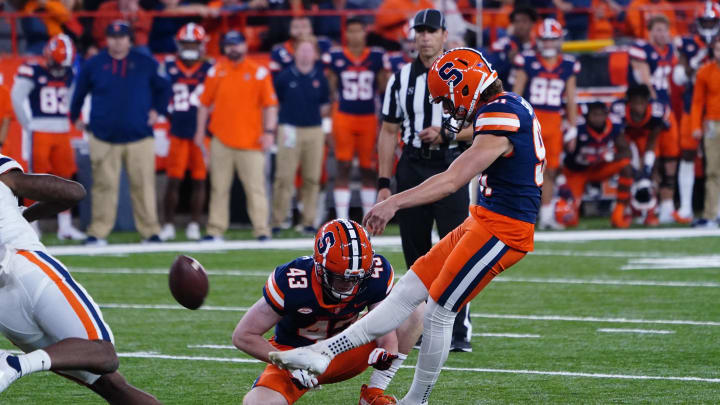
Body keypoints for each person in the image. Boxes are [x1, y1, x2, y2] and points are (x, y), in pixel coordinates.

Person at [269, 47, 542, 405]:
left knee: (440, 310)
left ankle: (417, 400)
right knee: (409, 286)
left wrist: (394, 201)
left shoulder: (500, 115)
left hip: (505, 229)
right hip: (485, 218)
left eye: (446, 99)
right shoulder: (505, 106)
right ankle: (323, 351)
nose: (447, 109)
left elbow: (451, 180)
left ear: (465, 86)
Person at [0, 153, 159, 404]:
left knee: (112, 387)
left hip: (4, 311)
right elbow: (73, 192)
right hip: (24, 264)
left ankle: (15, 365)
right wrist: (23, 215)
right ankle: (14, 364)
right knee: (103, 354)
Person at [234, 219, 419, 405]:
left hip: (346, 347)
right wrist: (287, 362)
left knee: (414, 309)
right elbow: (243, 335)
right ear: (320, 268)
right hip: (296, 356)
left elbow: (384, 327)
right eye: (341, 278)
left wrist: (385, 353)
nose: (350, 285)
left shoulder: (376, 274)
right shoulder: (293, 281)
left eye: (357, 278)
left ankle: (373, 394)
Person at [377, 9, 473, 352]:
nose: (425, 36)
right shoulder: (400, 79)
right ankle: (419, 327)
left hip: (451, 166)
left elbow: (485, 123)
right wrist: (384, 182)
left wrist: (447, 133)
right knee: (416, 255)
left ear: (445, 35)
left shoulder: (463, 73)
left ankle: (459, 330)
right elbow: (388, 132)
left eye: (431, 30)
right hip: (413, 167)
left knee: (459, 251)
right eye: (420, 30)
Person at [69, 20, 169, 245]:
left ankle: (150, 231)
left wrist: (158, 111)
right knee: (104, 186)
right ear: (107, 39)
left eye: (122, 37)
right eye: (113, 37)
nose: (117, 41)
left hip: (139, 135)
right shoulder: (94, 64)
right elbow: (79, 92)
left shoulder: (145, 62)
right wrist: (74, 116)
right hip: (104, 136)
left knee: (144, 185)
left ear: (129, 39)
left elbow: (164, 88)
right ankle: (98, 232)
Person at [196, 30, 278, 242]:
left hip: (251, 140)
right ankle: (215, 230)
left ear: (244, 45)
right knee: (218, 187)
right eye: (229, 44)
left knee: (255, 188)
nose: (233, 48)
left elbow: (270, 105)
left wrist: (269, 132)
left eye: (237, 44)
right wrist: (199, 132)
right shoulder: (216, 71)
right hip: (221, 139)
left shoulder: (258, 72)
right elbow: (204, 104)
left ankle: (262, 229)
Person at [11, 34, 86, 241]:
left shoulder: (69, 71)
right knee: (36, 180)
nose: (61, 69)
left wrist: (73, 118)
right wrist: (29, 124)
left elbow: (72, 98)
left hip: (62, 130)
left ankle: (65, 226)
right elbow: (17, 97)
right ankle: (31, 225)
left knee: (65, 178)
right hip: (41, 130)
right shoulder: (33, 69)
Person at [512, 18, 579, 230]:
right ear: (538, 41)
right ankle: (519, 215)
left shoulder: (568, 65)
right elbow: (516, 94)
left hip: (554, 122)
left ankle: (547, 215)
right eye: (545, 40)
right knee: (523, 169)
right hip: (532, 121)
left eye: (552, 40)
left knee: (550, 171)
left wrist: (573, 127)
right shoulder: (528, 61)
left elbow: (570, 98)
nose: (549, 44)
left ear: (560, 40)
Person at [326, 18, 389, 219]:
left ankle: (366, 218)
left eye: (358, 31)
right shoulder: (337, 56)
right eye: (350, 31)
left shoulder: (377, 56)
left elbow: (383, 87)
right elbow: (331, 89)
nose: (354, 35)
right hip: (344, 115)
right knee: (342, 166)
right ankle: (342, 219)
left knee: (368, 169)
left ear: (365, 33)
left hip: (368, 117)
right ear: (346, 34)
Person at [159, 23, 214, 242]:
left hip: (201, 132)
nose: (190, 48)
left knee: (200, 180)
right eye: (186, 43)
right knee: (174, 180)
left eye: (194, 43)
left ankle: (194, 224)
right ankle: (169, 224)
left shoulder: (210, 67)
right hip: (178, 130)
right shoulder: (169, 66)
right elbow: (160, 95)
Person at [271, 38, 331, 235]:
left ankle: (309, 221)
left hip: (314, 129)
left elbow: (325, 106)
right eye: (302, 50)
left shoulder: (320, 77)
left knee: (312, 178)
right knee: (284, 177)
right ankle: (278, 220)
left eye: (309, 50)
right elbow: (276, 102)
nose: (305, 54)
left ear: (315, 54)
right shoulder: (284, 77)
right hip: (289, 129)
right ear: (295, 53)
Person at [628, 15, 682, 224]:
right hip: (648, 112)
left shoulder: (672, 51)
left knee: (670, 160)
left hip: (666, 109)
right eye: (657, 29)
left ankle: (667, 207)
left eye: (664, 29)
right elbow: (644, 78)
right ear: (649, 31)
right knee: (648, 163)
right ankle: (647, 208)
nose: (661, 34)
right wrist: (656, 104)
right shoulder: (641, 49)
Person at [673, 2, 719, 222]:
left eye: (713, 22)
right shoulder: (689, 44)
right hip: (693, 104)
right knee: (688, 154)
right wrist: (697, 60)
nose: (709, 26)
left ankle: (714, 209)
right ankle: (686, 207)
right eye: (706, 22)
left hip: (715, 109)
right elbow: (679, 78)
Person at [560, 102, 633, 228]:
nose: (598, 118)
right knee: (569, 220)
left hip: (599, 169)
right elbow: (562, 153)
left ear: (606, 115)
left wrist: (610, 157)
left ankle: (619, 212)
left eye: (601, 115)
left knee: (626, 165)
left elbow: (627, 152)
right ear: (587, 116)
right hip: (577, 172)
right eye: (594, 115)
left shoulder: (613, 126)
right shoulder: (578, 127)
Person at [611, 85, 668, 226]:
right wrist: (635, 166)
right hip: (626, 139)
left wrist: (647, 166)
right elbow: (620, 139)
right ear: (628, 103)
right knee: (628, 173)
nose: (639, 107)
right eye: (635, 103)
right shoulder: (618, 110)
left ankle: (650, 212)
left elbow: (653, 139)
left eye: (642, 103)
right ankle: (627, 211)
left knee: (651, 175)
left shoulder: (656, 111)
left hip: (646, 137)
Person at [689, 37, 720, 228]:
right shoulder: (704, 71)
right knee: (712, 172)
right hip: (712, 124)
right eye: (718, 49)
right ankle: (710, 215)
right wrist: (695, 126)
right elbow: (697, 102)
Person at [488, 6, 537, 85]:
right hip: (505, 90)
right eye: (516, 21)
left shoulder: (538, 47)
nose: (520, 25)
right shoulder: (502, 45)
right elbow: (489, 72)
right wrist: (507, 61)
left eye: (524, 21)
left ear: (532, 24)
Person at [268, 16, 333, 75]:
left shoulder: (323, 44)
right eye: (296, 27)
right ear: (289, 30)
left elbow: (331, 70)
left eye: (304, 26)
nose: (300, 31)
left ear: (311, 29)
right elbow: (275, 77)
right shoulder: (279, 50)